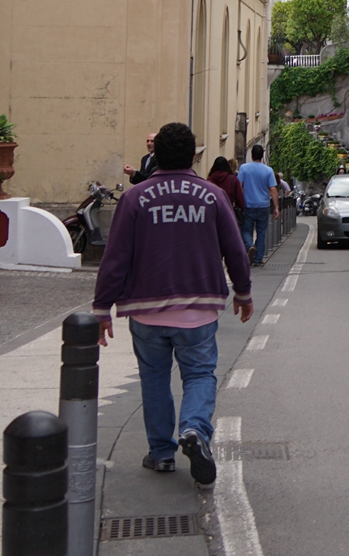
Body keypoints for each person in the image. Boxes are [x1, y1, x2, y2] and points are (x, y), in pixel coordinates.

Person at [92, 122, 251, 487]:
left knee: (153, 377)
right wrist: (243, 292)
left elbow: (115, 257)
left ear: (156, 155)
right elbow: (236, 251)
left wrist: (102, 308)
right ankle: (194, 429)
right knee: (198, 374)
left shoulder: (135, 198)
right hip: (198, 308)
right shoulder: (212, 196)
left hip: (146, 309)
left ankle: (161, 453)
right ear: (194, 155)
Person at [236, 144, 278, 264]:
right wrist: (276, 207)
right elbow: (273, 189)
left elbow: (239, 186)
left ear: (251, 155)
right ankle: (258, 258)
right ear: (262, 156)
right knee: (261, 232)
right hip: (263, 205)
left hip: (248, 205)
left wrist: (240, 200)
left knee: (246, 230)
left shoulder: (244, 168)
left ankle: (249, 246)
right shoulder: (268, 170)